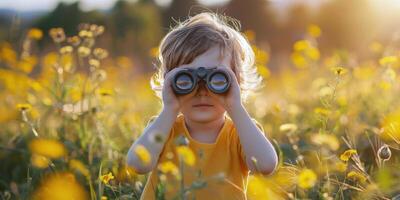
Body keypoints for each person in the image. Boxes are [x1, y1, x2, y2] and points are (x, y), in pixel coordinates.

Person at [126, 12, 278, 199]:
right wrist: (170, 108)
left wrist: (235, 106)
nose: (202, 91)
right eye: (185, 79)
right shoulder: (165, 129)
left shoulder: (241, 133)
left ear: (235, 82)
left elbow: (266, 166)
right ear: (169, 83)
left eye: (217, 78)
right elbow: (136, 165)